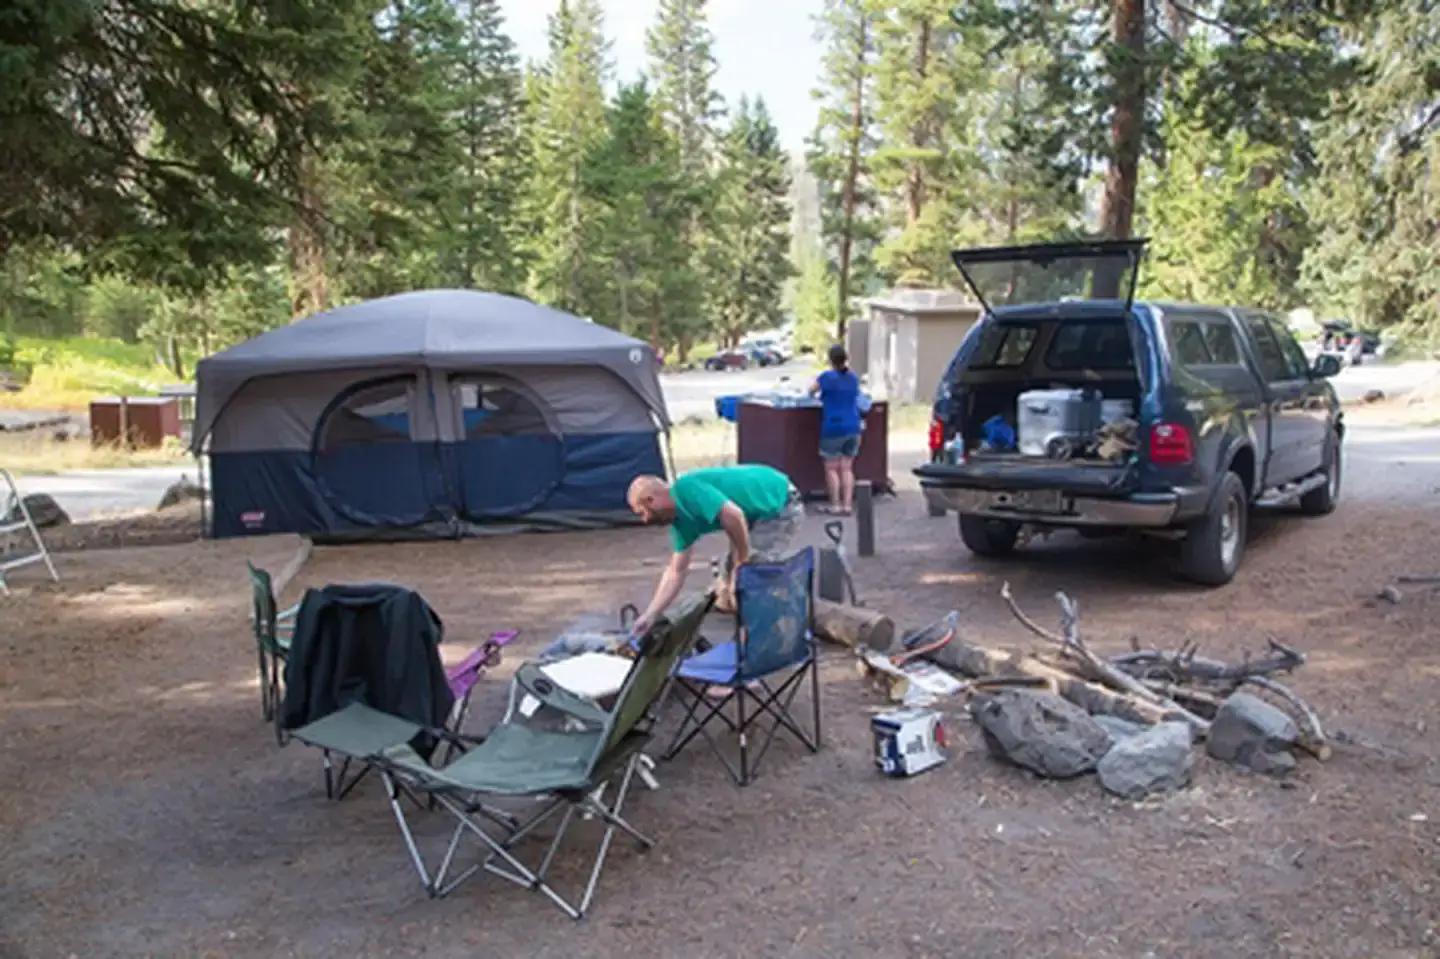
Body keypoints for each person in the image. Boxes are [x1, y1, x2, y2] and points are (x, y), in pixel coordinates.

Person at [627, 464, 803, 634]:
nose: (644, 520)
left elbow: (734, 515)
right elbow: (676, 571)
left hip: (779, 503)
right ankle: (742, 604)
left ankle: (786, 616)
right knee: (726, 592)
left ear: (651, 500)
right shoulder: (681, 523)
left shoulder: (686, 489)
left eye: (642, 512)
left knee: (749, 574)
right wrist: (650, 614)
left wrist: (741, 563)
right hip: (752, 514)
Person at [808, 343, 863, 515]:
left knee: (832, 468)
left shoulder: (826, 377)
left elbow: (810, 391)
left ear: (830, 360)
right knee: (847, 468)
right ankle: (847, 506)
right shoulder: (853, 378)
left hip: (833, 426)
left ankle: (836, 505)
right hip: (853, 426)